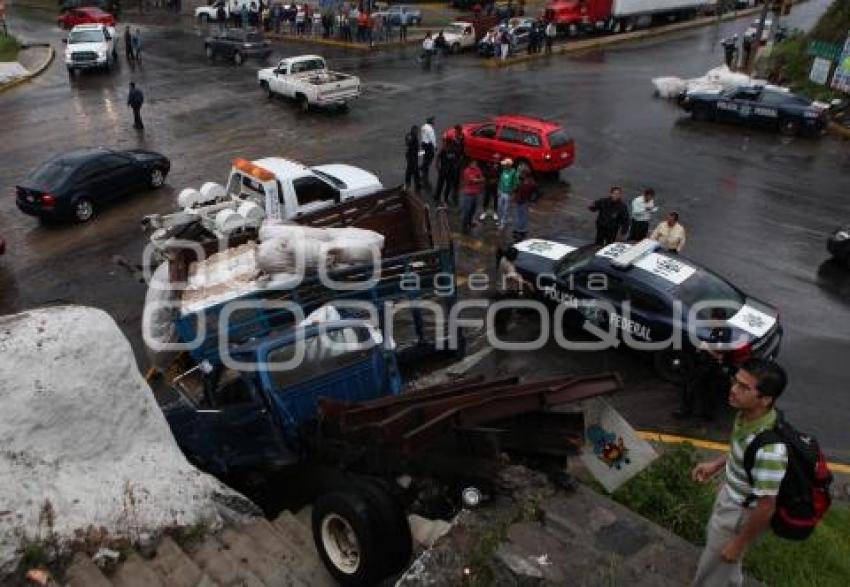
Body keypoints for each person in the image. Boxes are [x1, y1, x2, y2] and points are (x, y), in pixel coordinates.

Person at [691, 359, 789, 587]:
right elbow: (743, 451)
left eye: (744, 387)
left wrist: (739, 544)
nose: (733, 390)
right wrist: (716, 465)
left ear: (765, 399)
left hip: (740, 514)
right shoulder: (747, 416)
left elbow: (766, 507)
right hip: (730, 495)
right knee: (722, 561)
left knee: (711, 570)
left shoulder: (770, 452)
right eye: (735, 381)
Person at [674, 308, 732, 421]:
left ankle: (685, 411)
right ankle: (706, 413)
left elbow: (719, 356)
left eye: (713, 320)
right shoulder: (717, 329)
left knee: (690, 385)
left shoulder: (724, 333)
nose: (710, 322)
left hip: (711, 367)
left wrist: (706, 347)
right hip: (706, 364)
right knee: (706, 391)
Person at [434, 137, 462, 205]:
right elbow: (438, 157)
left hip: (450, 171)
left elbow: (458, 158)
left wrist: (456, 165)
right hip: (443, 170)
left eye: (447, 143)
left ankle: (445, 198)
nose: (446, 144)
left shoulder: (454, 150)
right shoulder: (443, 150)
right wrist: (437, 166)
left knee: (448, 185)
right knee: (440, 184)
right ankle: (437, 197)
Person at [461, 160, 484, 233]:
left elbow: (481, 178)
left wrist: (479, 180)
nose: (475, 164)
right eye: (473, 163)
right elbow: (473, 180)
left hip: (476, 193)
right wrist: (479, 180)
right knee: (467, 210)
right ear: (470, 164)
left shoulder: (478, 169)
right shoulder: (467, 171)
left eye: (476, 163)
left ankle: (469, 222)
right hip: (468, 193)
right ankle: (464, 225)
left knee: (473, 209)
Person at [513, 169, 536, 241]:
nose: (521, 175)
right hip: (522, 201)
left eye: (522, 174)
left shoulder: (527, 183)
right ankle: (521, 230)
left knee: (521, 216)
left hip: (523, 201)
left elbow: (520, 191)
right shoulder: (527, 182)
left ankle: (521, 231)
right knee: (521, 216)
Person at [496, 159, 519, 230]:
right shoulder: (504, 171)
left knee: (506, 209)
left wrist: (512, 191)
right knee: (500, 207)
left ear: (509, 165)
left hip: (508, 193)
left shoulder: (513, 172)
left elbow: (516, 183)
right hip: (501, 192)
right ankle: (500, 220)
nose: (504, 166)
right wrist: (499, 189)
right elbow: (500, 180)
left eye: (505, 165)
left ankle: (503, 222)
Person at [479, 153, 501, 222]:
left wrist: (496, 180)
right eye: (495, 158)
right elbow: (485, 173)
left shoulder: (500, 166)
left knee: (495, 199)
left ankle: (495, 212)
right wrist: (490, 178)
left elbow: (501, 175)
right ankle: (484, 212)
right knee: (486, 198)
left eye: (497, 159)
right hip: (488, 184)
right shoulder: (488, 164)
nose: (496, 160)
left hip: (496, 185)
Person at [404, 125, 421, 193]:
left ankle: (415, 183)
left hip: (414, 155)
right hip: (411, 155)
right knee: (412, 169)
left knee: (412, 169)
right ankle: (410, 183)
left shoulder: (412, 136)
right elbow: (408, 143)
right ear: (413, 130)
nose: (417, 132)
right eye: (416, 130)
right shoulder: (411, 136)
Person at [420, 116, 436, 185]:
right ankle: (423, 167)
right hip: (429, 145)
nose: (434, 122)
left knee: (425, 156)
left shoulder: (423, 127)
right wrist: (435, 146)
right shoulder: (430, 129)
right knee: (430, 156)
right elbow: (432, 138)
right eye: (433, 121)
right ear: (430, 122)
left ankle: (423, 167)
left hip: (423, 143)